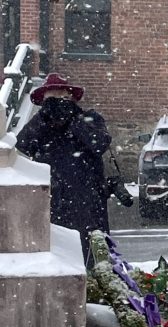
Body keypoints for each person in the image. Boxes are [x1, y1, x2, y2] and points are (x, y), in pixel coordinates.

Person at [16, 73, 112, 268]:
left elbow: (99, 143)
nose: (57, 103)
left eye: (61, 97)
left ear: (70, 98)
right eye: (51, 99)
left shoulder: (88, 119)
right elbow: (22, 145)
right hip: (54, 197)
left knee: (92, 252)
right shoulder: (41, 124)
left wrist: (73, 118)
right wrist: (44, 117)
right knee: (56, 252)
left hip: (87, 196)